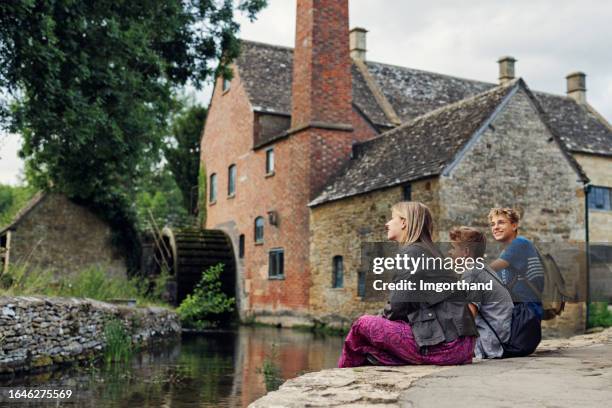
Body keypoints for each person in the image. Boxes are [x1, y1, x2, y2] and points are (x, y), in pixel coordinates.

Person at [338, 202, 477, 368]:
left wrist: (377, 318)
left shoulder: (412, 253)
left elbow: (397, 306)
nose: (387, 223)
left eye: (392, 218)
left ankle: (342, 372)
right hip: (463, 346)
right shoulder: (432, 252)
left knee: (362, 324)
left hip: (445, 347)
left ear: (404, 222)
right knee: (371, 344)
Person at [448, 226, 513, 359]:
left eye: (453, 247)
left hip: (489, 343)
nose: (450, 252)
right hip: (500, 338)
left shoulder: (472, 273)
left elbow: (467, 317)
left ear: (465, 251)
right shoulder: (483, 268)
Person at [488, 208, 544, 319]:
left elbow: (489, 270)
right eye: (492, 224)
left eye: (501, 222)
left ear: (514, 226)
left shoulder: (520, 243)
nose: (495, 227)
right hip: (519, 311)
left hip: (525, 311)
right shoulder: (507, 252)